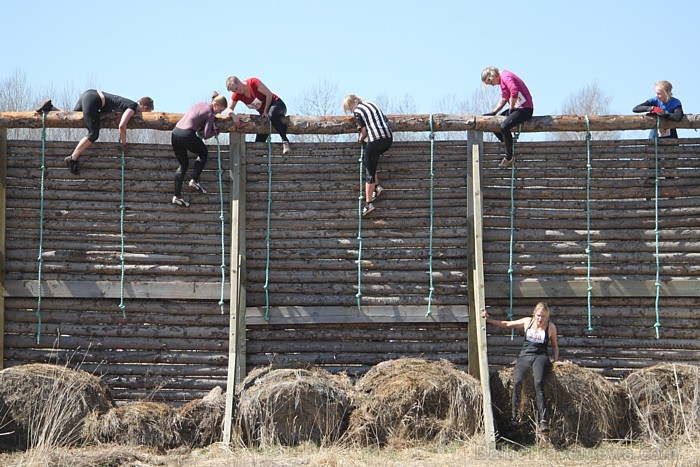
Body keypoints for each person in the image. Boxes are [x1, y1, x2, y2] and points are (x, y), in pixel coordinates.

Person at [482, 302, 559, 435]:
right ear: (534, 314)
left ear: (547, 317)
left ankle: (544, 421)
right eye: (539, 316)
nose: (541, 319)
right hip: (525, 356)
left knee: (538, 382)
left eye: (544, 317)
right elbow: (506, 324)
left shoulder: (550, 327)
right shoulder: (527, 322)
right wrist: (489, 320)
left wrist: (556, 361)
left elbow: (555, 346)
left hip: (541, 356)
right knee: (517, 382)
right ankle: (514, 420)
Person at [35, 91, 154, 176]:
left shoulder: (126, 103)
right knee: (93, 134)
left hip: (89, 95)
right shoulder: (133, 106)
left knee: (73, 116)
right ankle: (72, 158)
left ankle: (50, 107)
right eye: (148, 111)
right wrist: (124, 144)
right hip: (94, 99)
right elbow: (122, 126)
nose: (146, 114)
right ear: (144, 106)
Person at [170, 92, 227, 207]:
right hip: (187, 135)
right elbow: (206, 134)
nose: (220, 112)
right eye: (220, 109)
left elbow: (196, 117)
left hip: (175, 133)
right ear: (215, 104)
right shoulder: (210, 113)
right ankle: (194, 180)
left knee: (183, 165)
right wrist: (216, 131)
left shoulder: (201, 104)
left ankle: (177, 196)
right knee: (203, 152)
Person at [343, 95, 393, 217]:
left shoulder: (358, 111)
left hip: (376, 139)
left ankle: (368, 204)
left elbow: (364, 131)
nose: (352, 111)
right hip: (388, 138)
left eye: (350, 108)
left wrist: (360, 140)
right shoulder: (372, 104)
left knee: (369, 171)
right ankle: (377, 187)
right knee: (370, 162)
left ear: (354, 102)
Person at [481, 67, 534, 168]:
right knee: (494, 124)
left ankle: (509, 157)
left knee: (504, 127)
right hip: (517, 108)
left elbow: (514, 91)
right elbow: (504, 97)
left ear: (491, 76)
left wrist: (511, 108)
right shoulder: (502, 81)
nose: (492, 85)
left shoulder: (506, 76)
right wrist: (493, 113)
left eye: (491, 82)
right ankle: (510, 145)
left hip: (525, 108)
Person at [225, 76, 291, 154]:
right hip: (264, 115)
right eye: (234, 91)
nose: (236, 92)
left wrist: (265, 111)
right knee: (260, 136)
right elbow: (229, 109)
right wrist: (233, 115)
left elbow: (269, 94)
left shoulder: (253, 82)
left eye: (236, 88)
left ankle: (285, 141)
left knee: (272, 114)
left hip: (277, 104)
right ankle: (258, 159)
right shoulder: (237, 95)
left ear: (239, 81)